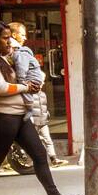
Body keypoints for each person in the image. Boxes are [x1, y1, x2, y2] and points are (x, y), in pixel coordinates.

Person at [0, 21, 79, 195]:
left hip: (19, 116)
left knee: (39, 154)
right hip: (2, 118)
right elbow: (0, 88)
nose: (9, 42)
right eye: (5, 38)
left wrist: (30, 83)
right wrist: (26, 87)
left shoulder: (3, 59)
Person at [8, 20, 65, 166]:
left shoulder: (20, 53)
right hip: (31, 102)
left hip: (38, 105)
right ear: (14, 35)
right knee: (35, 136)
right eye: (23, 34)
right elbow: (21, 73)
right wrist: (25, 85)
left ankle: (52, 158)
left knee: (45, 135)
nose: (25, 38)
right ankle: (38, 159)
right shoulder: (20, 53)